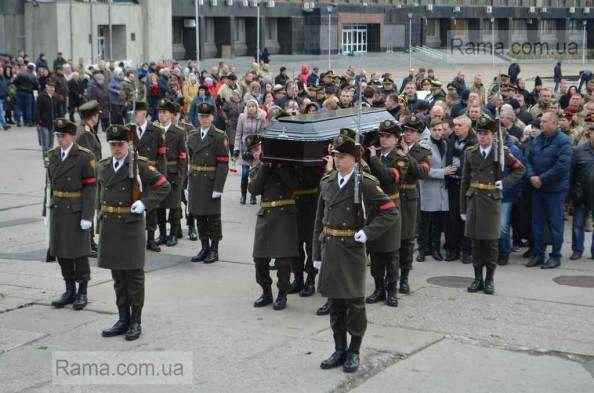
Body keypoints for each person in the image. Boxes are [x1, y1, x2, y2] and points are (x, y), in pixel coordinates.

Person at [313, 128, 397, 373]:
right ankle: (339, 348)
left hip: (351, 249)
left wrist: (368, 232)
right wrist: (317, 255)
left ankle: (354, 350)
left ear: (355, 159)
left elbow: (390, 210)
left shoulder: (366, 183)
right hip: (330, 247)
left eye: (343, 157)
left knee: (355, 304)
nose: (338, 161)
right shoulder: (327, 182)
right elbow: (319, 219)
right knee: (335, 302)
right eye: (336, 157)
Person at [98, 125, 170, 341]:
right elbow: (99, 196)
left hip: (130, 227)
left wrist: (145, 203)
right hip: (111, 227)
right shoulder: (103, 166)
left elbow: (164, 186)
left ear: (128, 144)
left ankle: (136, 321)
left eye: (120, 144)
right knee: (118, 277)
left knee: (134, 278)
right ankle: (122, 318)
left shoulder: (139, 165)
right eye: (113, 145)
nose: (116, 149)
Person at [461, 116, 525, 294]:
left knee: (490, 244)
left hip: (491, 201)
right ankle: (477, 279)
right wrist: (462, 208)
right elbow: (465, 180)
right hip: (474, 200)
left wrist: (504, 182)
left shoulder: (501, 152)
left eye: (486, 133)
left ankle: (489, 280)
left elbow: (520, 169)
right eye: (479, 133)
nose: (482, 137)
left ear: (492, 134)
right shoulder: (470, 152)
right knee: (475, 243)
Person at [47, 118, 97, 310]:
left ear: (72, 136)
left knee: (79, 253)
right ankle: (69, 290)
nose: (60, 139)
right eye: (58, 136)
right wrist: (47, 208)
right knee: (61, 252)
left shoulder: (84, 156)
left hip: (76, 210)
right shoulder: (52, 155)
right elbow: (50, 185)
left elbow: (90, 188)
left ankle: (82, 291)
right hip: (59, 209)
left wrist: (87, 215)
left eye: (64, 136)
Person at [248, 135, 300, 310]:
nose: (257, 153)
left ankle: (282, 294)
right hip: (266, 215)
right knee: (259, 258)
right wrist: (265, 167)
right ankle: (266, 292)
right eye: (254, 151)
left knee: (284, 261)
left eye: (259, 149)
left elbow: (295, 185)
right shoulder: (258, 166)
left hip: (285, 215)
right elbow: (254, 190)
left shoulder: (288, 163)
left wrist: (278, 166)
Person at [365, 120, 410, 307]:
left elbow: (389, 179)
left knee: (391, 253)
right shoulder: (372, 156)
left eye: (388, 136)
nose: (384, 139)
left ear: (396, 139)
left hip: (390, 206)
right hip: (373, 208)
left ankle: (392, 290)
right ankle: (378, 288)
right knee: (375, 253)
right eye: (382, 136)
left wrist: (374, 159)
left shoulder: (400, 159)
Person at [525, 111, 572, 269]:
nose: (541, 124)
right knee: (537, 223)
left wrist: (541, 179)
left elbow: (562, 166)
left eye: (545, 122)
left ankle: (555, 256)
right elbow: (528, 158)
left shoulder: (564, 141)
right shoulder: (538, 139)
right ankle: (539, 254)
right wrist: (532, 176)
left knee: (555, 223)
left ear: (554, 123)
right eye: (541, 122)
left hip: (555, 190)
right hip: (537, 188)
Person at [188, 102, 230, 264]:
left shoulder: (219, 136)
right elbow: (190, 162)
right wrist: (187, 184)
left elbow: (223, 163)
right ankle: (204, 247)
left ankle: (214, 249)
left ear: (212, 117)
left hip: (210, 182)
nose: (204, 119)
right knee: (198, 216)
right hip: (196, 181)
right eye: (201, 116)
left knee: (212, 218)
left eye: (207, 116)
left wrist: (218, 187)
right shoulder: (193, 135)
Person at [399, 116, 431, 293]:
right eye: (406, 131)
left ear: (418, 135)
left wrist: (408, 156)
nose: (408, 135)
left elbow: (422, 173)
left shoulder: (423, 152)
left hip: (410, 199)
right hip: (394, 197)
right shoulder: (395, 148)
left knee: (407, 240)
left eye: (412, 132)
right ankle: (390, 277)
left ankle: (404, 278)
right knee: (392, 240)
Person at [133, 101, 168, 252]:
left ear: (145, 114)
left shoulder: (156, 130)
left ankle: (151, 239)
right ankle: (135, 237)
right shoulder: (129, 130)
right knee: (135, 203)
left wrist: (161, 175)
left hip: (151, 172)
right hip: (134, 172)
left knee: (151, 206)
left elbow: (162, 156)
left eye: (137, 113)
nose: (134, 116)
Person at [418, 119, 452, 262]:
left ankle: (436, 249)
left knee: (438, 223)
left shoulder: (445, 143)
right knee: (425, 222)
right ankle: (422, 250)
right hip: (428, 189)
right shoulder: (424, 145)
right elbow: (423, 170)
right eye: (435, 130)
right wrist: (442, 172)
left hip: (441, 190)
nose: (438, 133)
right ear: (430, 130)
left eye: (440, 130)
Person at [444, 115, 476, 263]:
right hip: (452, 184)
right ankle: (453, 250)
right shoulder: (450, 140)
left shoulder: (473, 142)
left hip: (467, 185)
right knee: (452, 219)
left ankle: (467, 251)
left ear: (467, 127)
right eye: (455, 125)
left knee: (466, 219)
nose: (456, 127)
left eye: (459, 125)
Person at [155, 99, 187, 247]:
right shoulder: (154, 130)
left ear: (171, 115)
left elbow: (183, 156)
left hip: (174, 173)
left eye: (164, 112)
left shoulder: (179, 132)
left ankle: (173, 234)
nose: (161, 115)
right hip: (158, 173)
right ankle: (162, 234)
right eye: (160, 112)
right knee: (159, 206)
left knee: (174, 205)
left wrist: (181, 175)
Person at [75, 100, 103, 257]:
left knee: (89, 208)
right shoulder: (85, 134)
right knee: (88, 208)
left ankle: (90, 242)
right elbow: (89, 159)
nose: (98, 117)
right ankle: (88, 243)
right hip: (88, 178)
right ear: (92, 117)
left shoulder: (86, 130)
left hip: (87, 177)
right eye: (97, 115)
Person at [234, 99, 268, 205]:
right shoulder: (242, 117)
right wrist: (236, 148)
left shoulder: (261, 118)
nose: (251, 108)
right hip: (245, 147)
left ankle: (253, 195)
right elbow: (238, 133)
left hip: (256, 148)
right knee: (244, 174)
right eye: (249, 106)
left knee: (254, 173)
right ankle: (243, 195)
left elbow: (264, 133)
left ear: (256, 107)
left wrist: (262, 149)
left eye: (253, 106)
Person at [569, 124, 594, 260]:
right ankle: (577, 250)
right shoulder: (579, 150)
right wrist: (573, 192)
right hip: (581, 193)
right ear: (589, 133)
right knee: (578, 224)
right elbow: (571, 173)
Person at [35, 81, 58, 157]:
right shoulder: (41, 96)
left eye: (53, 88)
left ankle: (50, 152)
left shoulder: (54, 97)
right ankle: (45, 153)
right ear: (46, 87)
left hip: (53, 122)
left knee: (51, 139)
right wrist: (38, 121)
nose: (52, 89)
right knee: (46, 139)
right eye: (51, 87)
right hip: (44, 122)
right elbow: (38, 110)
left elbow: (56, 110)